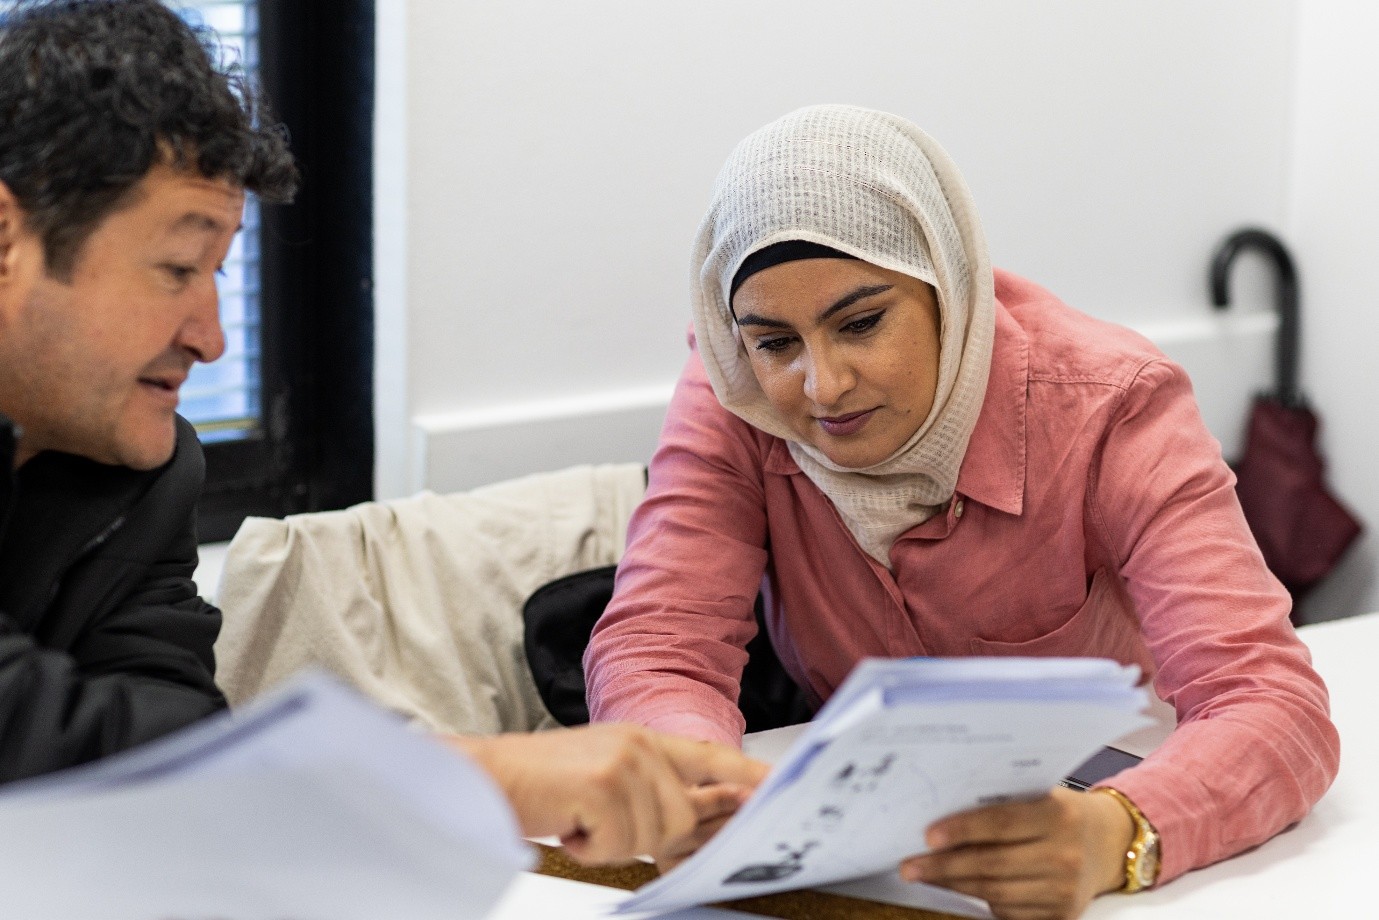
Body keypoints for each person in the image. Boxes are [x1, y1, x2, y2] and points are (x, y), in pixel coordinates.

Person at [0, 0, 764, 868]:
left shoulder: (146, 468)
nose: (211, 339)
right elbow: (35, 733)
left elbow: (173, 751)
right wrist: (489, 778)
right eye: (177, 268)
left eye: (217, 274)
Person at [584, 104, 1340, 917]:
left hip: (1085, 814)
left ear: (949, 288)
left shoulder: (1113, 405)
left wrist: (1115, 833)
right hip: (853, 834)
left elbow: (1267, 698)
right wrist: (700, 790)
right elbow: (662, 644)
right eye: (775, 343)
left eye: (862, 322)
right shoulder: (734, 392)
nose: (821, 385)